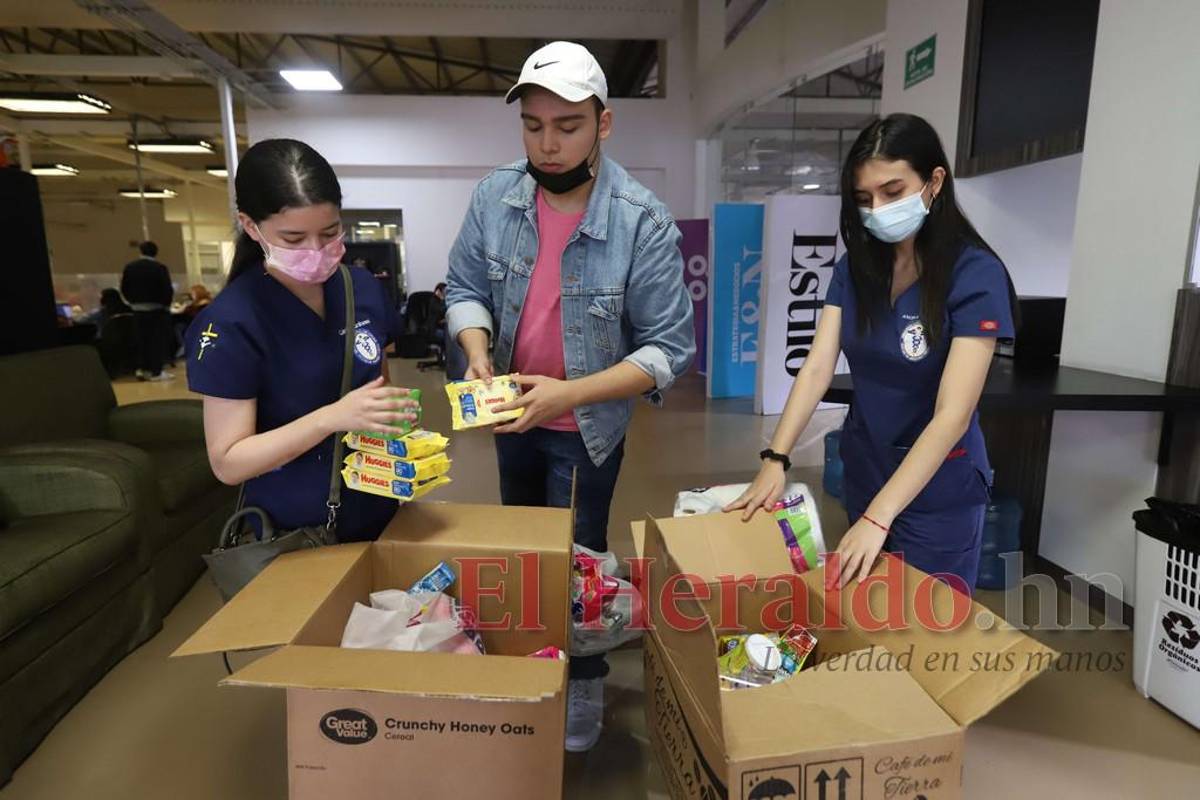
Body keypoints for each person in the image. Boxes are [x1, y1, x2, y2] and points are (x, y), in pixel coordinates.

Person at [445, 41, 695, 752]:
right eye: (533, 126)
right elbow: (464, 288)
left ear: (603, 124)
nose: (547, 144)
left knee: (579, 563)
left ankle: (582, 684)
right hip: (511, 419)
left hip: (585, 429)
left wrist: (568, 395)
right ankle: (532, 669)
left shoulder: (640, 221)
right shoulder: (495, 197)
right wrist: (478, 352)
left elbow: (668, 349)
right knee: (523, 555)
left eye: (567, 126)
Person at [726, 113, 1018, 597]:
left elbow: (952, 414)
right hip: (868, 466)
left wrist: (881, 518)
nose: (878, 209)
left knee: (928, 627)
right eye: (864, 199)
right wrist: (775, 459)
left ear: (934, 182)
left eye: (893, 191)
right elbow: (818, 367)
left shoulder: (974, 273)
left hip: (936, 487)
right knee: (872, 614)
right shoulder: (857, 267)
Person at [185, 139, 420, 543]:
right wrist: (330, 418)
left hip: (379, 508)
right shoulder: (232, 322)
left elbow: (378, 393)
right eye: (293, 239)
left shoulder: (359, 288)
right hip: (295, 531)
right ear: (250, 226)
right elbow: (228, 462)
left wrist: (401, 434)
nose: (316, 252)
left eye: (329, 233)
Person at [121, 240, 176, 381]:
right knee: (156, 341)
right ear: (156, 252)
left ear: (140, 252)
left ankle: (141, 369)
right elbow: (166, 289)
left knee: (141, 340)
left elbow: (124, 288)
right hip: (156, 309)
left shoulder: (130, 267)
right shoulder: (159, 268)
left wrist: (131, 302)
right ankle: (156, 372)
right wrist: (166, 305)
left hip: (137, 309)